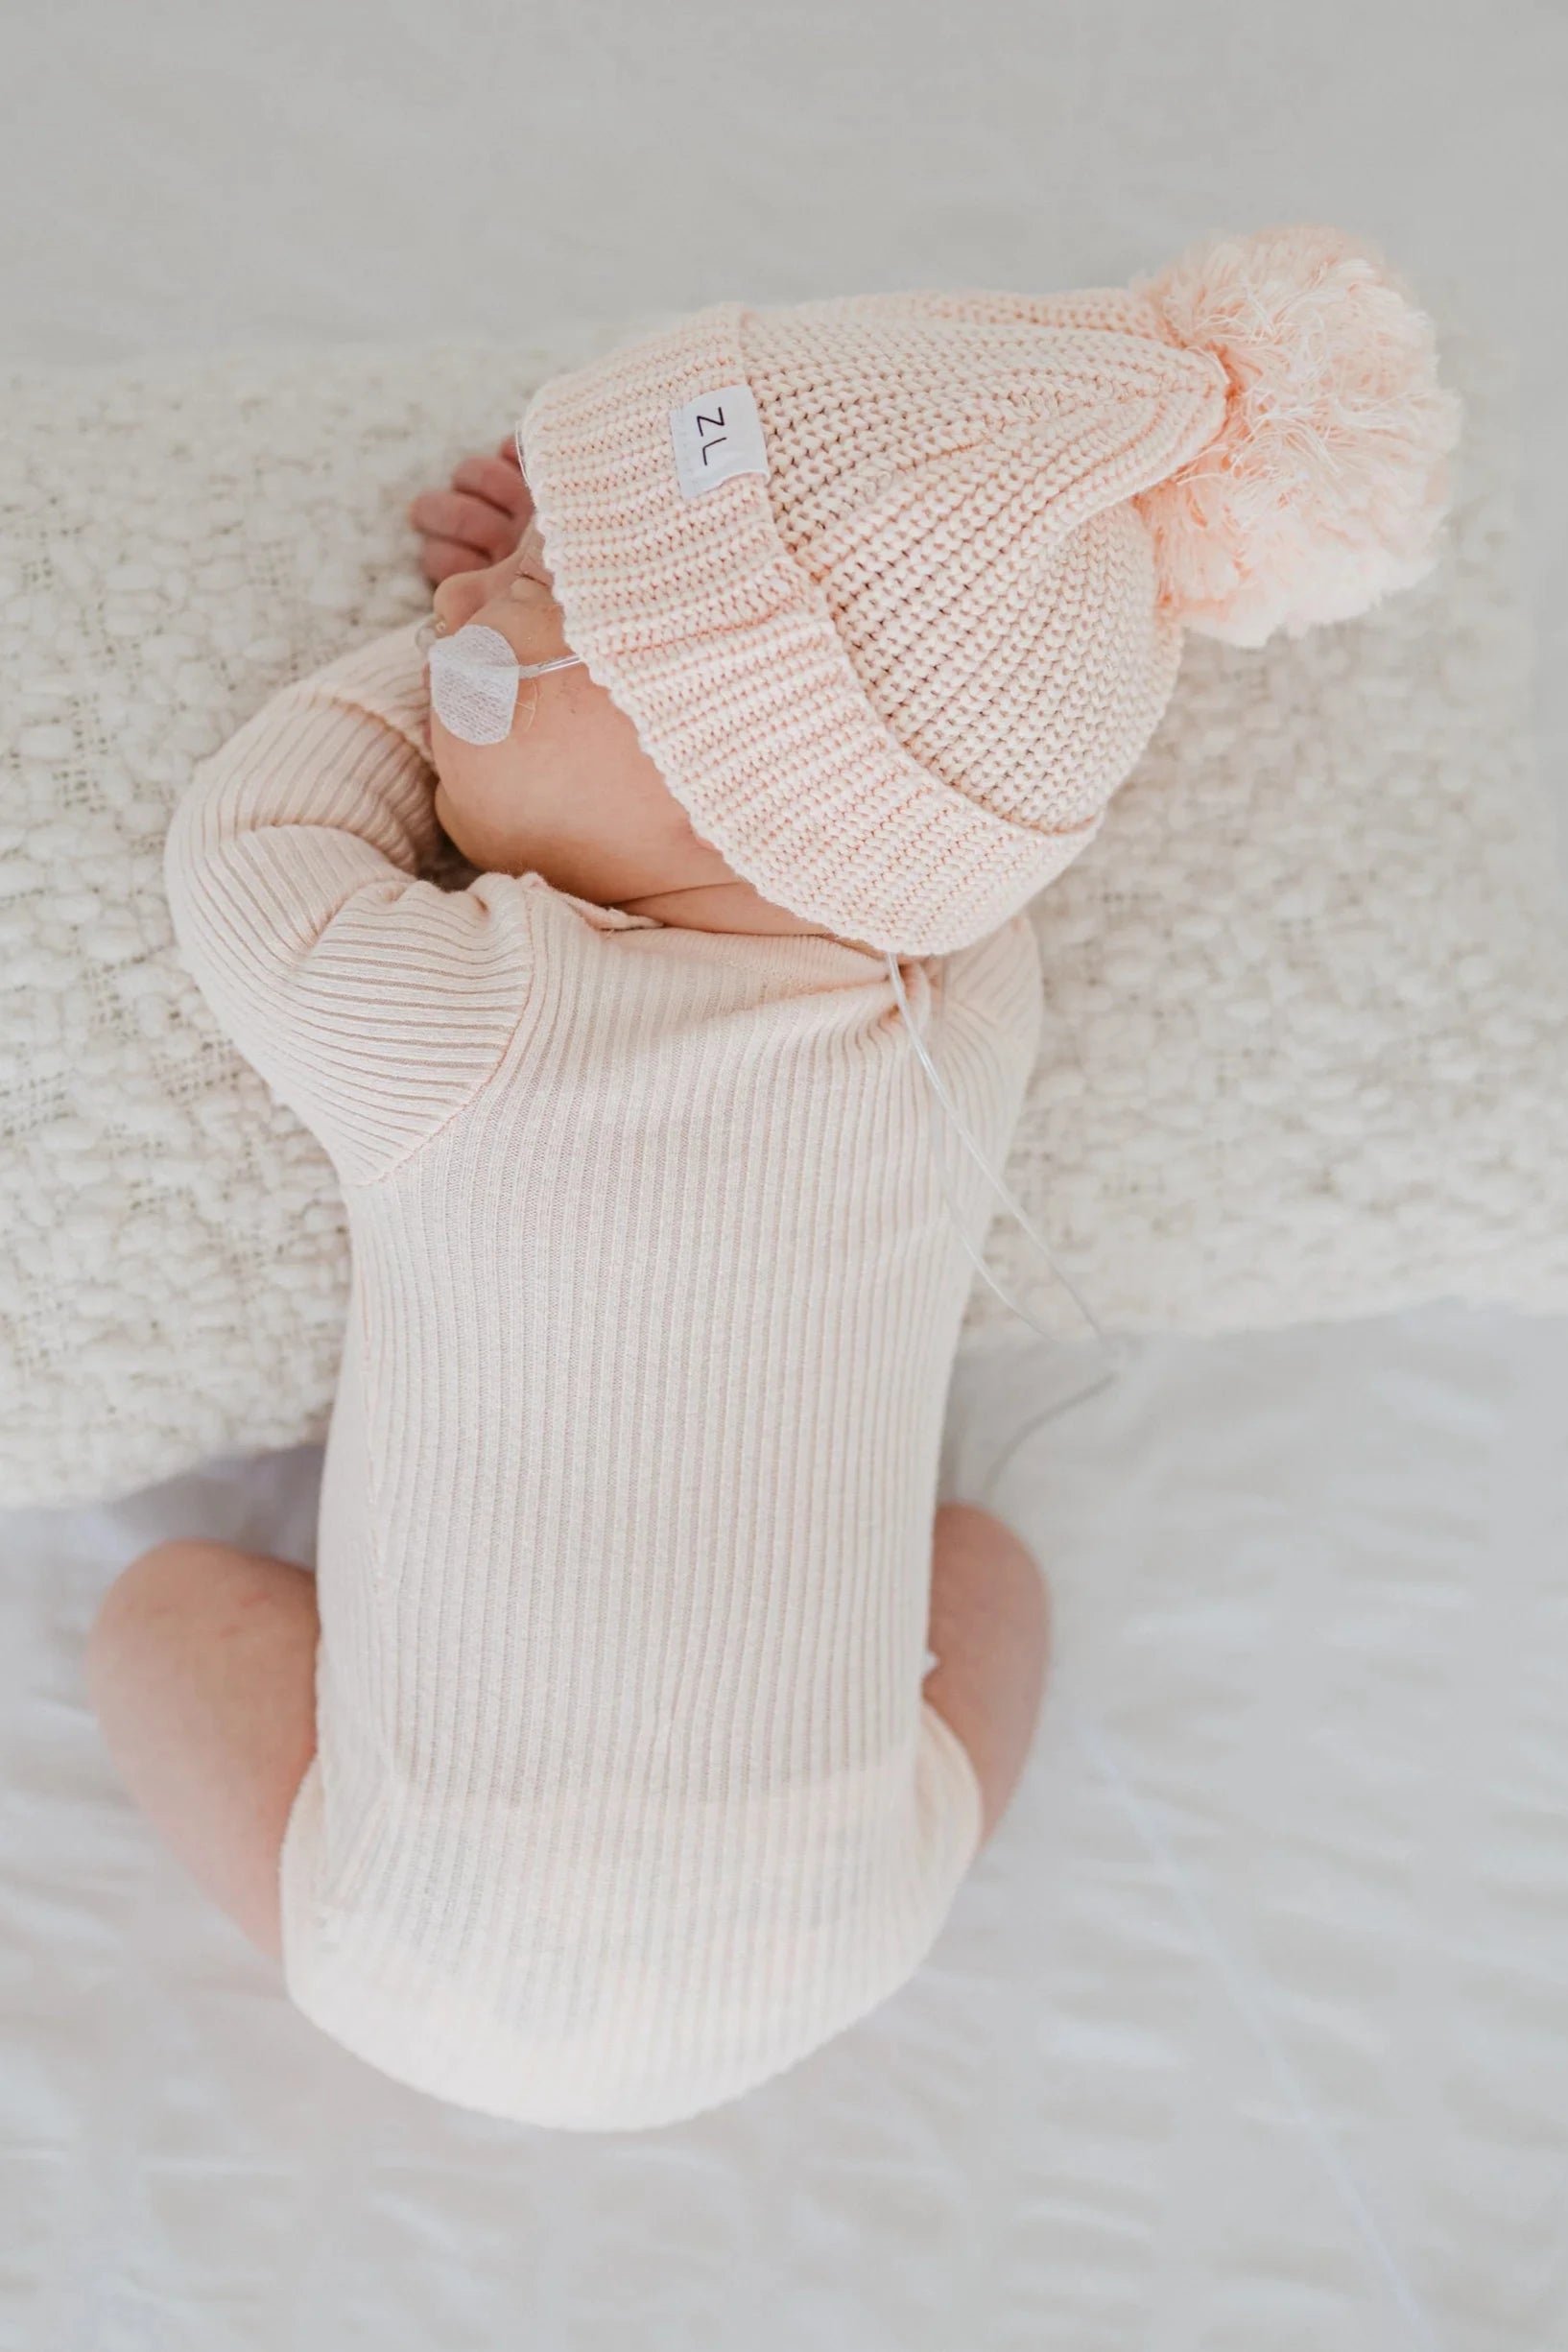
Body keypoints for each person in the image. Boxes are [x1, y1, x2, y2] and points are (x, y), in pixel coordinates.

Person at [84, 224, 1461, 2131]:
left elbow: (249, 844)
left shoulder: (477, 1033)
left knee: (153, 1599)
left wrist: (422, 668)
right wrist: (550, 650)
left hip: (445, 1937)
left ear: (722, 767)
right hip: (827, 1935)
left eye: (534, 583)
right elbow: (946, 837)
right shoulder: (937, 1026)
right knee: (974, 1561)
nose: (479, 589)